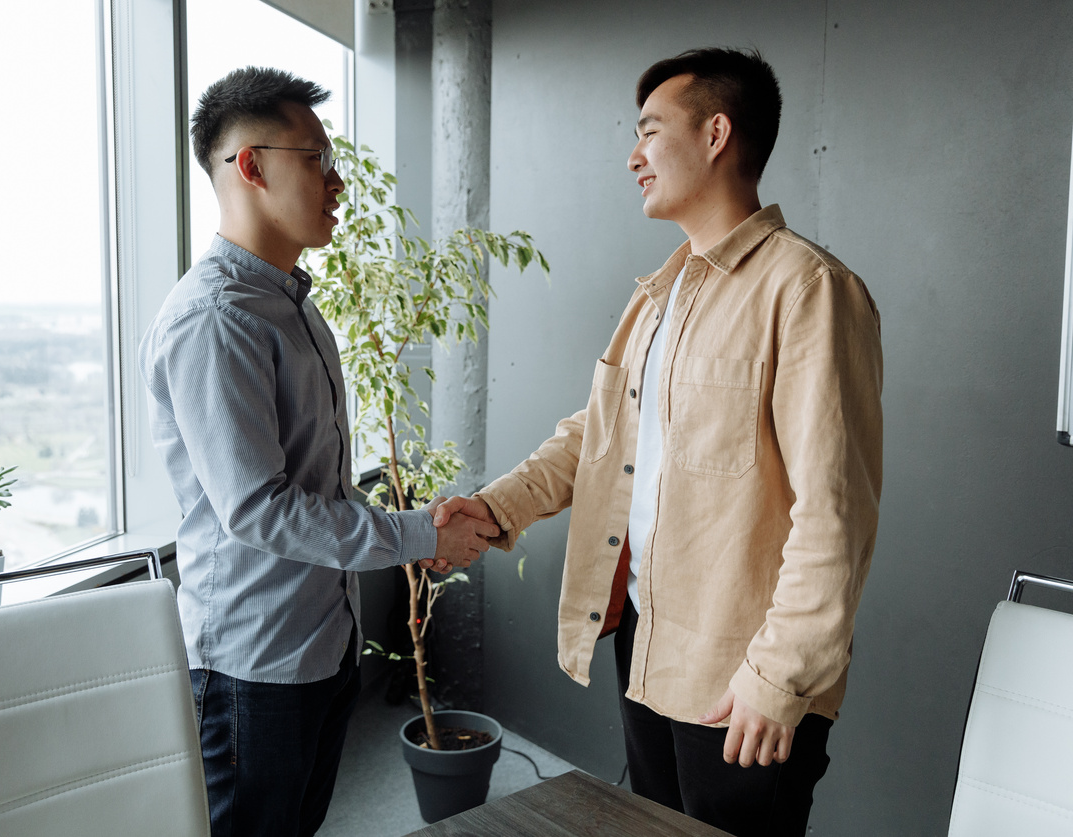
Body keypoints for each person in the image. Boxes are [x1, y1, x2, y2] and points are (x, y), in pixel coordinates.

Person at [431, 48, 883, 836]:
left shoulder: (809, 289)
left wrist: (777, 678)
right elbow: (597, 436)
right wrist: (493, 507)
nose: (633, 156)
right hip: (644, 640)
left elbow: (835, 512)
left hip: (741, 671)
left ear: (716, 133)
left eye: (649, 131)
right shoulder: (659, 293)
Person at [139, 67, 498, 837]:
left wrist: (414, 536)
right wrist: (420, 535)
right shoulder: (217, 319)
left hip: (320, 645)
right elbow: (259, 509)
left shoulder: (290, 303)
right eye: (317, 160)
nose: (337, 183)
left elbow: (321, 487)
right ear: (252, 166)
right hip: (253, 664)